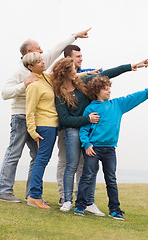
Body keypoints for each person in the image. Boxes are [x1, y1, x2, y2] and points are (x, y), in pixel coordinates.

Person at [0, 28, 91, 203]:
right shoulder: (19, 71)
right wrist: (22, 85)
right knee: (14, 153)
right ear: (28, 53)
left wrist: (75, 36)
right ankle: (4, 191)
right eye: (38, 49)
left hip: (37, 119)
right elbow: (4, 93)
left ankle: (32, 194)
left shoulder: (43, 68)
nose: (42, 52)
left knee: (38, 156)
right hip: (21, 116)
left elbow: (56, 49)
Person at [52, 57, 148, 213]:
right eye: (73, 69)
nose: (76, 71)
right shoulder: (59, 93)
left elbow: (108, 73)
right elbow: (65, 119)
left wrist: (131, 66)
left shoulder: (82, 83)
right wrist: (87, 119)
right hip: (72, 129)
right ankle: (67, 200)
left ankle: (88, 203)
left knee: (88, 168)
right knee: (71, 165)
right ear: (65, 72)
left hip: (89, 128)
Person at [74, 76, 148, 219]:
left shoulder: (117, 105)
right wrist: (87, 144)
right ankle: (80, 206)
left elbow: (133, 98)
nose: (109, 90)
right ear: (97, 91)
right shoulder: (90, 108)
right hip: (93, 149)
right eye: (105, 88)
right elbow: (84, 130)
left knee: (111, 180)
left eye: (109, 87)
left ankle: (114, 210)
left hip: (110, 150)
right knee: (87, 177)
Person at [56, 44, 103, 216]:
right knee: (67, 163)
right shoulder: (60, 87)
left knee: (84, 165)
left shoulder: (83, 78)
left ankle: (82, 200)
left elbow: (103, 73)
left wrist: (130, 67)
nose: (80, 59)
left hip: (84, 128)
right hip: (66, 129)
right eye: (77, 57)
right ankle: (64, 198)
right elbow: (65, 118)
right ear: (68, 60)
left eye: (81, 56)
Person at [22, 52, 59, 209]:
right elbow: (29, 111)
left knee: (43, 160)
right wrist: (33, 132)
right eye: (38, 62)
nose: (43, 62)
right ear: (30, 67)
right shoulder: (34, 86)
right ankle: (34, 196)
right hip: (45, 127)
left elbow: (62, 76)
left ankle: (36, 195)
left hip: (53, 125)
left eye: (42, 60)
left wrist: (87, 73)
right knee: (41, 160)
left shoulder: (47, 77)